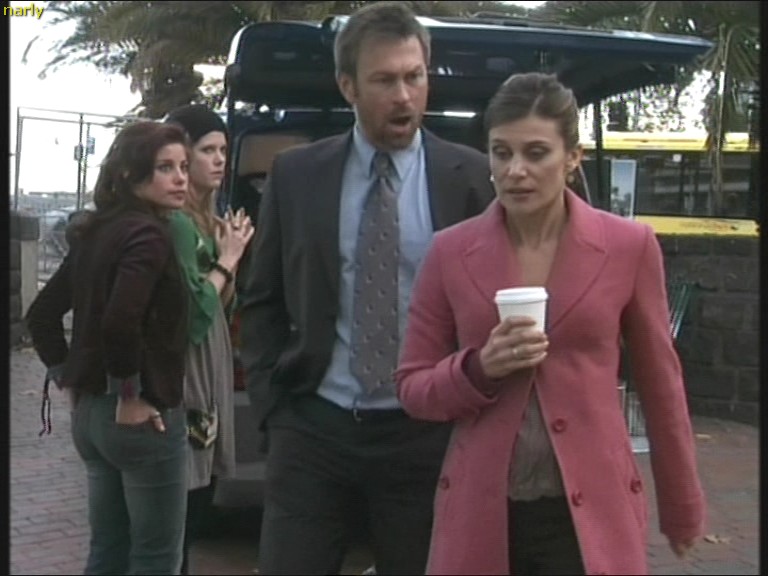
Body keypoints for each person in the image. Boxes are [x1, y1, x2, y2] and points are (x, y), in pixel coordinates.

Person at [394, 72, 706, 575]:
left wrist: (682, 505)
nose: (515, 170)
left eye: (536, 153)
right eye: (501, 153)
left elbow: (661, 386)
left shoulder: (628, 247)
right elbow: (413, 387)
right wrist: (478, 369)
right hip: (484, 512)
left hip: (589, 513)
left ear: (572, 158)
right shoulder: (450, 252)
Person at [237, 2, 494, 574]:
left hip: (423, 434)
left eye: (414, 77)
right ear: (348, 85)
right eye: (384, 80)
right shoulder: (297, 174)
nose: (403, 96)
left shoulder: (472, 178)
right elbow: (263, 299)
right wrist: (276, 411)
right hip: (315, 430)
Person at [25, 121, 192, 575]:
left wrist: (68, 375)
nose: (181, 178)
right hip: (139, 416)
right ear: (129, 174)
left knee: (108, 552)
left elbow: (41, 315)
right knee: (155, 558)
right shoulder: (148, 235)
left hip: (91, 417)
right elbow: (120, 320)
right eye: (165, 167)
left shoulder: (96, 231)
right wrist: (129, 393)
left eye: (183, 166)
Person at [164, 104, 255, 575]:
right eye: (207, 150)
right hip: (189, 375)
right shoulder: (176, 223)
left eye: (223, 150)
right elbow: (194, 315)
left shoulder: (208, 220)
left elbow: (221, 307)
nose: (219, 160)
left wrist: (228, 258)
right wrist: (228, 259)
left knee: (200, 496)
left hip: (210, 368)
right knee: (184, 505)